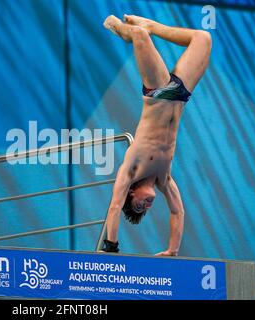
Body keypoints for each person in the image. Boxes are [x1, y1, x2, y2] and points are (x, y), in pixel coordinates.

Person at [101, 14, 212, 256]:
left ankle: (120, 28)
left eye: (138, 206)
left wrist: (111, 247)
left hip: (158, 92)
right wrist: (172, 249)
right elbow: (177, 212)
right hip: (181, 95)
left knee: (138, 35)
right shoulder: (165, 179)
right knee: (203, 38)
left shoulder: (131, 169)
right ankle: (154, 26)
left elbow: (115, 206)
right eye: (146, 210)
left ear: (132, 192)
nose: (146, 206)